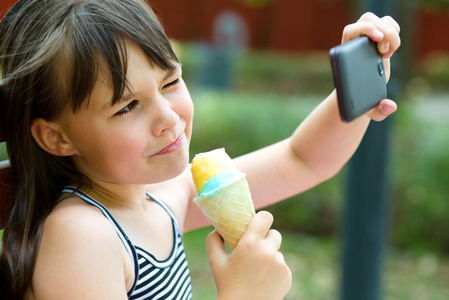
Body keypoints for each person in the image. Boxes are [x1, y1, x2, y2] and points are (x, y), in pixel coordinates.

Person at [0, 0, 400, 299]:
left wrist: (354, 91)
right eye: (127, 107)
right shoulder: (81, 237)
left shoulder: (163, 196)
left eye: (170, 82)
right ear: (57, 138)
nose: (169, 119)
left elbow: (303, 160)